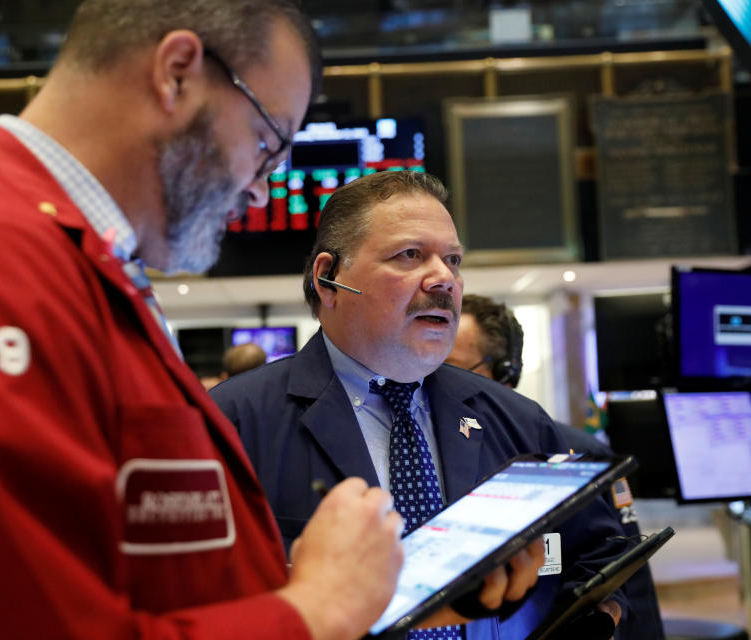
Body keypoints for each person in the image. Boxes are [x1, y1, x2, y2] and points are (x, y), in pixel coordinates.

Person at [0, 2, 543, 638]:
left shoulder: (74, 269)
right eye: (268, 140)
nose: (264, 184)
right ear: (177, 71)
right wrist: (314, 610)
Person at [211, 170, 633, 640]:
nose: (444, 279)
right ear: (329, 279)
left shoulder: (515, 418)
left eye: (452, 259)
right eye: (410, 255)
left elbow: (601, 552)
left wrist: (591, 622)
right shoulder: (231, 424)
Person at [446, 293, 666, 640]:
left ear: (507, 372)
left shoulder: (573, 451)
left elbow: (625, 574)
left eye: (452, 367)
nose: (440, 381)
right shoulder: (430, 450)